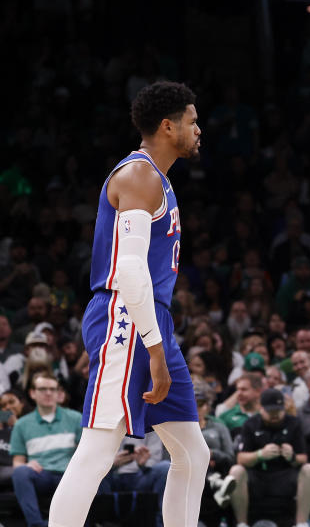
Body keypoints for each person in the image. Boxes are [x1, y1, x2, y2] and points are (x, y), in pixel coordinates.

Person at [48, 81, 210, 527]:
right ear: (167, 125)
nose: (199, 130)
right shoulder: (137, 175)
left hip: (151, 320)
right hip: (127, 317)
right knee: (98, 450)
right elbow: (131, 274)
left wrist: (159, 341)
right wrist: (155, 348)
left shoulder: (159, 178)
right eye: (193, 121)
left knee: (193, 453)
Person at [221, 389, 310, 527]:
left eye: (278, 411)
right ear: (261, 409)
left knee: (309, 470)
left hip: (285, 476)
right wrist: (260, 455)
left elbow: (303, 458)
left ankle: (301, 523)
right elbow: (241, 459)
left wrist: (292, 456)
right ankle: (242, 524)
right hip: (258, 477)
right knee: (236, 471)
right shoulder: (250, 424)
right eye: (270, 411)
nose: (275, 415)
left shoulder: (294, 423)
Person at [10, 373, 86, 527]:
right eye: (42, 389)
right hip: (41, 474)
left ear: (59, 393)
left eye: (53, 389)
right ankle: (36, 524)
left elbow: (84, 454)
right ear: (32, 393)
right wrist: (26, 465)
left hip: (68, 475)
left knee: (85, 473)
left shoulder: (76, 418)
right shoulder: (21, 424)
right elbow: (17, 462)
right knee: (20, 472)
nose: (48, 393)